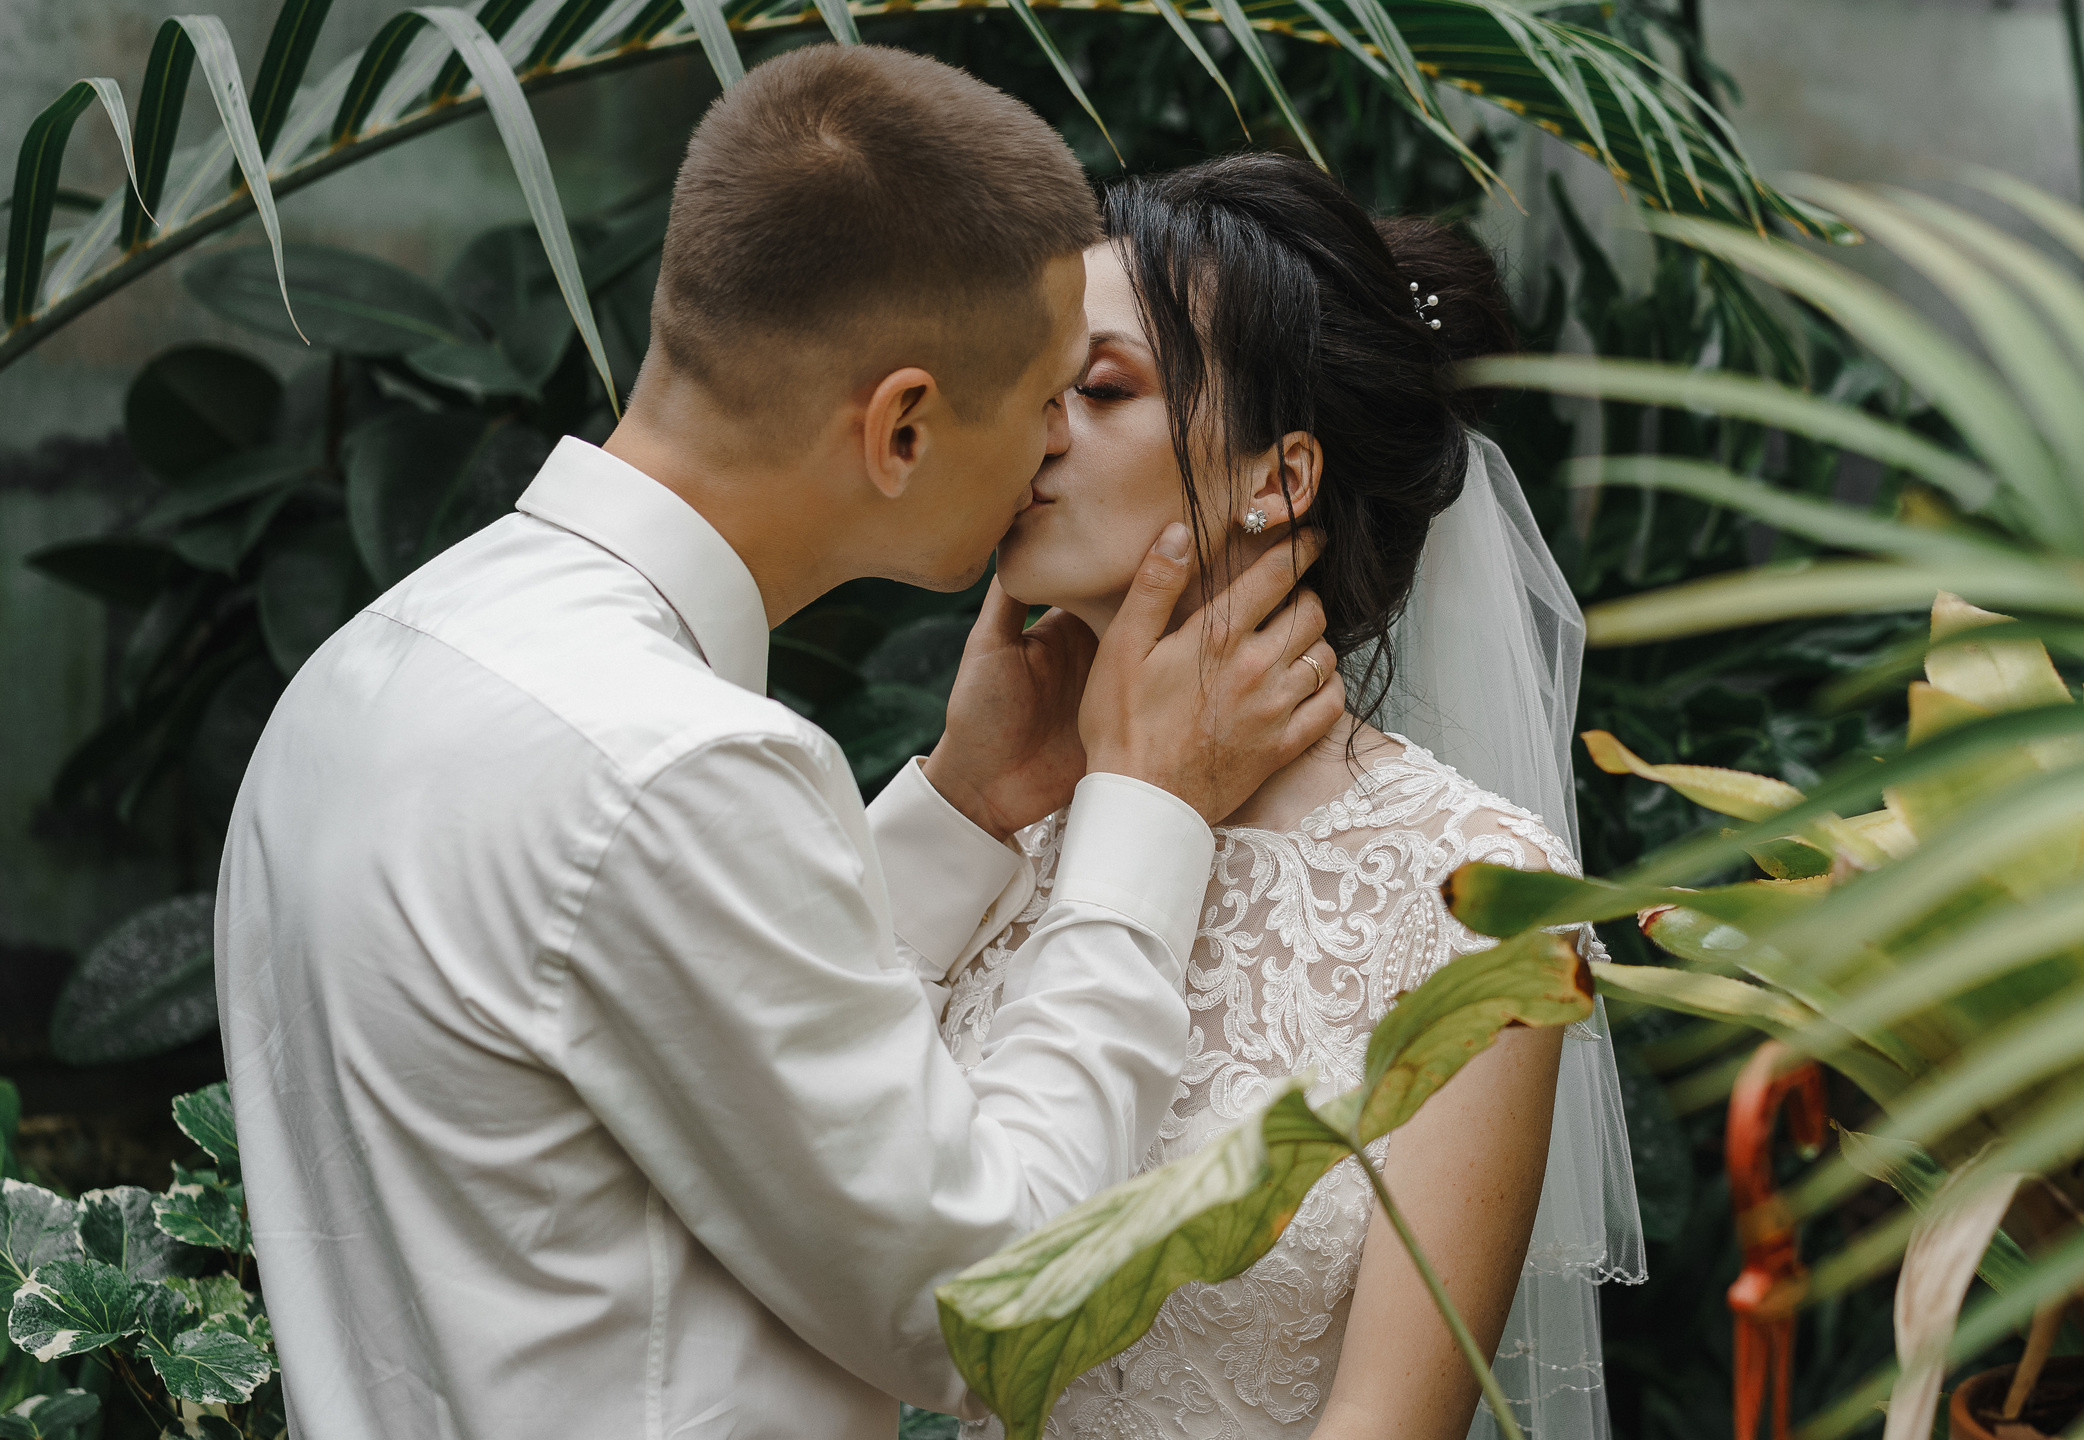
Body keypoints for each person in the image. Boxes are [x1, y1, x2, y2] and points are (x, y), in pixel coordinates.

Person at [213, 47, 1342, 1440]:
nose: (1057, 445)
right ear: (904, 427)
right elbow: (997, 1296)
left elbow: (661, 1038)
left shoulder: (373, 662)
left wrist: (967, 806)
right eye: (1058, 393)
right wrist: (1144, 815)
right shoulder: (673, 770)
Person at [931, 153, 1644, 1440]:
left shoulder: (1470, 897)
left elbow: (1390, 1420)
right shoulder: (978, 809)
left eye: (1097, 389)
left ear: (1282, 477)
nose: (1034, 425)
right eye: (1033, 380)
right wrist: (961, 801)